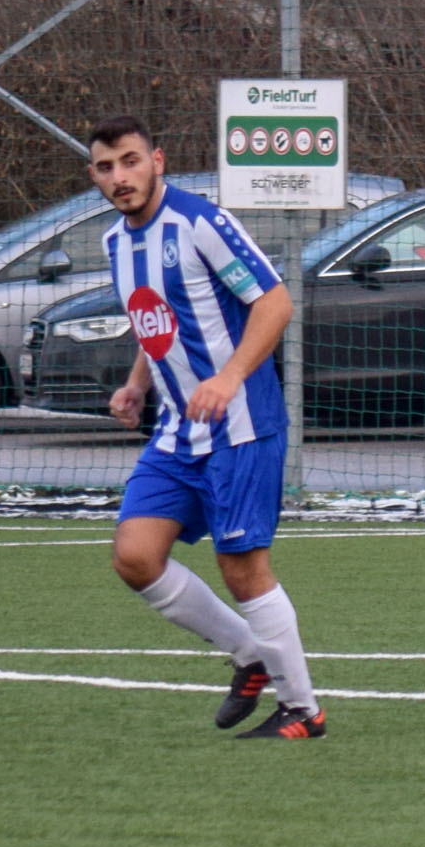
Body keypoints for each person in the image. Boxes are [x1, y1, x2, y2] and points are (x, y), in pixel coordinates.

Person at [94, 115, 326, 740]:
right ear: (95, 175)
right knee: (135, 557)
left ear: (157, 161)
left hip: (241, 424)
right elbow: (156, 320)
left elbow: (275, 302)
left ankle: (302, 709)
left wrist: (228, 378)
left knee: (242, 568)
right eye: (106, 167)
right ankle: (249, 653)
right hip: (177, 431)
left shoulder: (199, 222)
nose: (120, 177)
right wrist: (137, 384)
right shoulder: (115, 242)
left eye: (130, 161)